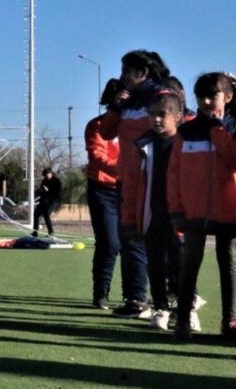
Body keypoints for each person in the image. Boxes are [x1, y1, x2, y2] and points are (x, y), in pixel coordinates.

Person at [169, 72, 236, 342]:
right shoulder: (186, 131)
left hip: (229, 208)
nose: (206, 101)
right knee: (190, 263)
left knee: (228, 263)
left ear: (228, 97)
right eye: (201, 96)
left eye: (213, 96)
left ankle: (230, 321)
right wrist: (176, 209)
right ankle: (182, 321)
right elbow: (173, 174)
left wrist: (217, 130)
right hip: (193, 210)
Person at [100, 49, 171, 319]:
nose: (122, 77)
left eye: (126, 71)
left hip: (154, 179)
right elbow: (106, 132)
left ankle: (176, 298)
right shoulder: (127, 101)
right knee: (130, 237)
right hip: (127, 179)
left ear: (142, 72)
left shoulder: (161, 96)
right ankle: (136, 299)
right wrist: (116, 106)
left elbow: (179, 125)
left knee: (160, 241)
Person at [124, 92, 184, 329]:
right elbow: (131, 184)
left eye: (162, 114)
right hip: (152, 215)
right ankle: (161, 308)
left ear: (177, 116)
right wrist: (130, 218)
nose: (156, 119)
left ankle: (185, 308)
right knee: (155, 264)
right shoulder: (143, 145)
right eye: (151, 114)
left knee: (179, 264)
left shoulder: (187, 144)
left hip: (180, 216)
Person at [85, 79, 122, 310]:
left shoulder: (138, 126)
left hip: (131, 190)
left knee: (135, 245)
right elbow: (97, 156)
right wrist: (122, 170)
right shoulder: (97, 126)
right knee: (109, 243)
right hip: (103, 191)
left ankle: (134, 295)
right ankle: (101, 293)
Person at [31, 168, 61, 237]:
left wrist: (48, 190)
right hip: (44, 200)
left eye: (48, 174)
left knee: (46, 214)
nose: (46, 176)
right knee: (36, 214)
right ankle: (35, 232)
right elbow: (41, 192)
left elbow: (57, 193)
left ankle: (51, 232)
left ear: (51, 173)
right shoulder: (44, 181)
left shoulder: (56, 181)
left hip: (53, 201)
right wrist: (39, 191)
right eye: (45, 175)